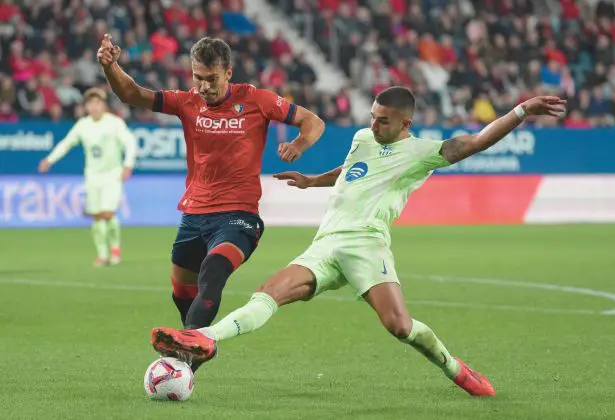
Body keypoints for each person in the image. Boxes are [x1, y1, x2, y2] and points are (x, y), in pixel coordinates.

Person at [150, 86, 567, 396]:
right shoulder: (363, 139)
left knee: (399, 327)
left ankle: (455, 367)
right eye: (372, 115)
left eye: (383, 120)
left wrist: (521, 110)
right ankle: (203, 339)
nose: (373, 124)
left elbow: (476, 142)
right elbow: (351, 169)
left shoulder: (423, 152)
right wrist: (313, 181)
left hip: (367, 245)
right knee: (268, 293)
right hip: (326, 242)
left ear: (405, 123)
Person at [97, 34, 325, 371]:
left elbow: (312, 121)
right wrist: (110, 66)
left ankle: (186, 356)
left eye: (211, 79)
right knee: (181, 293)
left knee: (213, 270)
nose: (203, 86)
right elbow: (132, 94)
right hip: (194, 215)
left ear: (228, 73)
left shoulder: (257, 100)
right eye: (198, 78)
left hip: (238, 216)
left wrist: (299, 145)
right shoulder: (186, 102)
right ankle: (195, 342)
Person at [38, 87, 137, 267]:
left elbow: (129, 142)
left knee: (108, 213)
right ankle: (102, 254)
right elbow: (66, 144)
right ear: (86, 106)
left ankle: (115, 249)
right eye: (90, 103)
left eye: (97, 103)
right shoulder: (83, 125)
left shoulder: (114, 123)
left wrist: (128, 164)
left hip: (112, 175)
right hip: (92, 176)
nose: (94, 107)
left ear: (104, 105)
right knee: (97, 216)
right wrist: (49, 160)